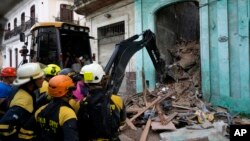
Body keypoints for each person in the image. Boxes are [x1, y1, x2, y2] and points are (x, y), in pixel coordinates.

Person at [18, 75, 79, 141]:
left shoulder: (40, 110)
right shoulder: (67, 113)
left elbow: (24, 133)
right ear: (67, 93)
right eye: (71, 90)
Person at [77, 63, 126, 141]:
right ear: (103, 78)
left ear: (86, 82)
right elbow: (122, 121)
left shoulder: (82, 103)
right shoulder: (117, 100)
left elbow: (80, 126)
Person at [0, 63, 44, 140]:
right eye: (40, 78)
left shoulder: (23, 91)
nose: (43, 80)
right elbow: (3, 126)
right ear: (31, 81)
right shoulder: (24, 101)